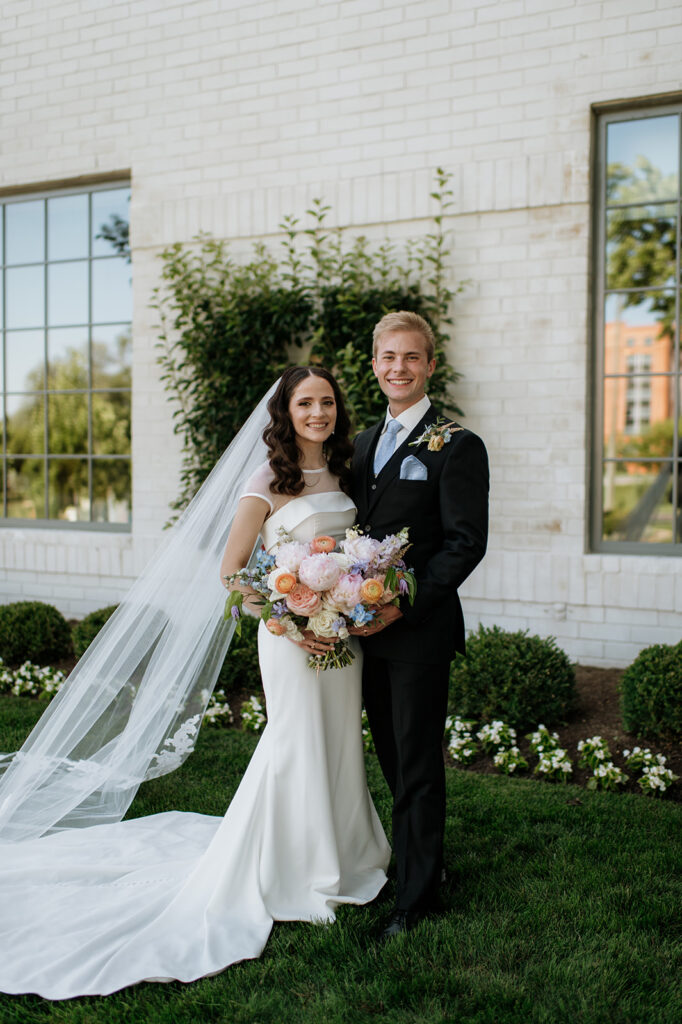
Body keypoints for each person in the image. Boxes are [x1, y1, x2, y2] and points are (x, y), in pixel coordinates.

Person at [0, 366, 389, 1000]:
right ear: (286, 413)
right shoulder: (266, 480)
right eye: (305, 403)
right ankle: (294, 866)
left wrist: (345, 604)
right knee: (295, 743)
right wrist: (292, 623)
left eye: (326, 402)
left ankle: (346, 851)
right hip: (291, 640)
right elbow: (232, 572)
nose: (318, 412)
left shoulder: (347, 475)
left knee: (340, 739)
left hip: (341, 637)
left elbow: (352, 553)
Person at [350, 311, 489, 939]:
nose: (398, 369)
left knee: (417, 767)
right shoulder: (359, 444)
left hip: (416, 632)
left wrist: (398, 606)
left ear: (430, 365)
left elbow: (464, 544)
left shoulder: (457, 444)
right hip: (361, 632)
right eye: (387, 357)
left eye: (411, 357)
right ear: (374, 364)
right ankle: (422, 868)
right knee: (391, 758)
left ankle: (416, 901)